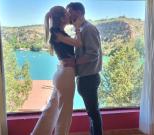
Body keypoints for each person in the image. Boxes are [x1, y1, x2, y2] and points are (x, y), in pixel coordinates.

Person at [31, 6, 83, 135]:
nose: (69, 16)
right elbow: (78, 43)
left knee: (51, 111)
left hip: (61, 73)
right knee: (64, 115)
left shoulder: (58, 33)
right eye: (66, 14)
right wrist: (77, 27)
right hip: (65, 75)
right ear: (61, 18)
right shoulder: (58, 34)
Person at [66, 2, 103, 135]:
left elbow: (93, 54)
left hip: (89, 78)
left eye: (69, 11)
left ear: (79, 12)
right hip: (85, 78)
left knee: (93, 113)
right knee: (92, 113)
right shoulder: (80, 30)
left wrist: (73, 62)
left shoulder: (88, 29)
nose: (67, 14)